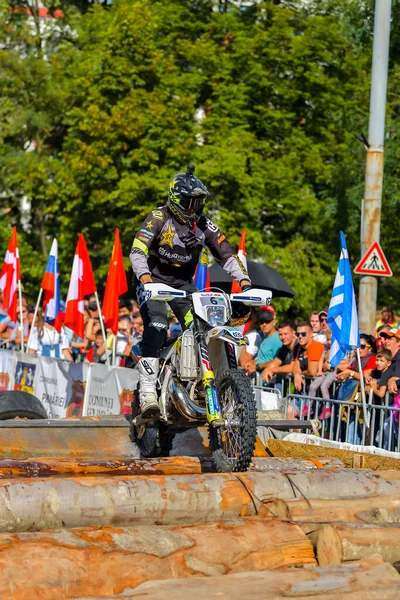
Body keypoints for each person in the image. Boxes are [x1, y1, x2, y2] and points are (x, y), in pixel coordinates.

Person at [130, 165, 252, 417]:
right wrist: (145, 279)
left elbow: (226, 255)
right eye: (189, 203)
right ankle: (148, 392)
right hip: (152, 282)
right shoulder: (158, 217)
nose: (194, 209)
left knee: (200, 327)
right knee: (157, 326)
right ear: (176, 201)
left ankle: (192, 382)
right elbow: (137, 250)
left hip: (183, 285)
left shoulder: (204, 224)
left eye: (199, 203)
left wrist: (245, 281)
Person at [260, 321, 298, 393]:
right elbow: (275, 362)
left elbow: (292, 367)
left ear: (293, 333)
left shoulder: (298, 346)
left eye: (286, 334)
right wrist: (267, 370)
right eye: (280, 334)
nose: (283, 337)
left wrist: (272, 370)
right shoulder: (283, 348)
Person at [244, 306, 282, 376]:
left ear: (274, 322)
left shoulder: (277, 339)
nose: (264, 325)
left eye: (267, 321)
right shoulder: (264, 337)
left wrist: (257, 366)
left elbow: (277, 361)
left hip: (272, 382)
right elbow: (265, 358)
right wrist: (253, 362)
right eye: (261, 322)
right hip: (261, 381)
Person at [292, 321, 325, 392]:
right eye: (298, 334)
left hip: (317, 392)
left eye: (303, 334)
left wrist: (301, 373)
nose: (300, 336)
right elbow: (295, 367)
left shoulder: (315, 346)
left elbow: (312, 372)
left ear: (311, 334)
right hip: (305, 389)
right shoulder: (301, 348)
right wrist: (297, 375)